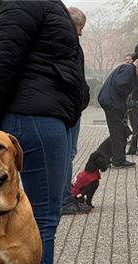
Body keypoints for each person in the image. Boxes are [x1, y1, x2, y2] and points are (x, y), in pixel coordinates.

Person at [0, 0, 95, 264]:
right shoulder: (23, 2)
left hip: (43, 114)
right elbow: (0, 66)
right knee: (40, 218)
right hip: (34, 118)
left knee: (34, 219)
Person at [61, 6, 92, 216]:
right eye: (79, 27)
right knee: (66, 154)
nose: (80, 32)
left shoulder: (70, 44)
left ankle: (65, 196)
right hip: (69, 108)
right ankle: (64, 199)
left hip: (72, 106)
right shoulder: (66, 44)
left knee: (68, 153)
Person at [98, 57, 138, 168]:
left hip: (110, 102)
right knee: (117, 132)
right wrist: (127, 101)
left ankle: (108, 157)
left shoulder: (127, 69)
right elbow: (120, 86)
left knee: (119, 131)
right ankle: (117, 160)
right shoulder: (128, 69)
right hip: (112, 103)